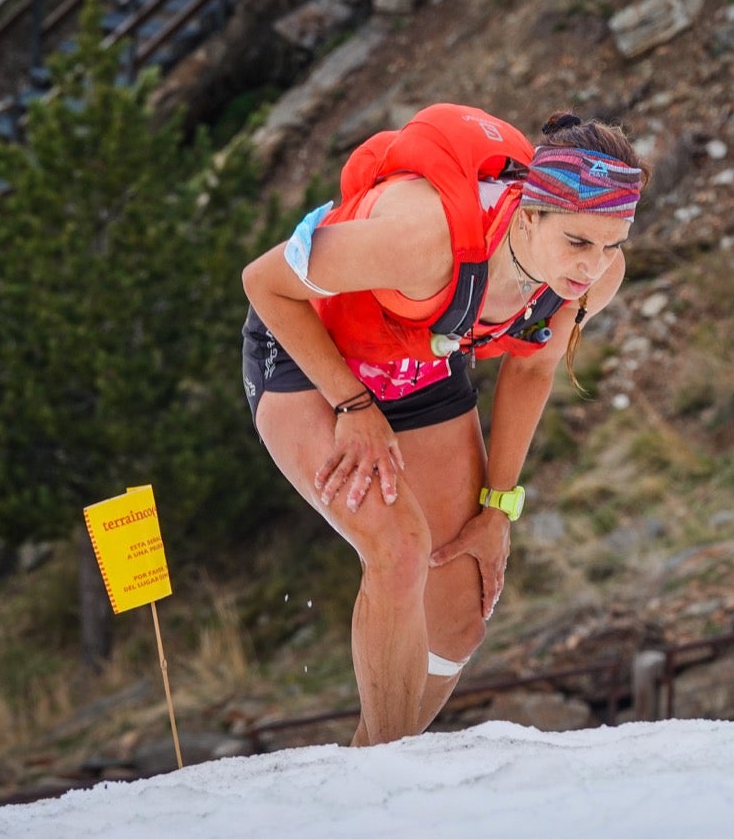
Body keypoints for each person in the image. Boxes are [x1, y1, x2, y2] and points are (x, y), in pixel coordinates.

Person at [239, 102, 648, 746]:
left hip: (416, 359)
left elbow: (533, 372)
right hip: (310, 355)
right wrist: (352, 406)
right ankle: (388, 786)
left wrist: (498, 511)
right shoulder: (421, 238)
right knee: (398, 551)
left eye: (610, 246)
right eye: (577, 242)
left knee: (460, 615)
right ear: (529, 212)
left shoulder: (591, 279)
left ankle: (368, 767)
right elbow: (265, 283)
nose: (593, 268)